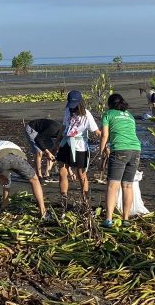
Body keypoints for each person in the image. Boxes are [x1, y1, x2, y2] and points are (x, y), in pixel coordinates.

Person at [99, 93, 142, 228]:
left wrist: (101, 153)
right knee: (128, 185)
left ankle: (108, 219)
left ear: (110, 104)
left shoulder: (108, 114)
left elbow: (105, 135)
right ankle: (126, 219)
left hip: (120, 150)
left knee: (113, 185)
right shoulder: (129, 115)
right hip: (136, 150)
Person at [0, 140, 48, 219]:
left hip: (1, 157)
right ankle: (43, 211)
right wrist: (1, 177)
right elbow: (7, 176)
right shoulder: (3, 143)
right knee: (35, 180)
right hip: (18, 157)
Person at [58, 90, 101, 206]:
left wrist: (105, 143)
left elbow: (96, 131)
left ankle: (85, 201)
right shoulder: (67, 110)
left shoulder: (86, 114)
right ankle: (64, 199)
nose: (72, 108)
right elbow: (64, 127)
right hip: (66, 143)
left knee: (81, 175)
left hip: (79, 146)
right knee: (62, 171)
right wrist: (57, 142)